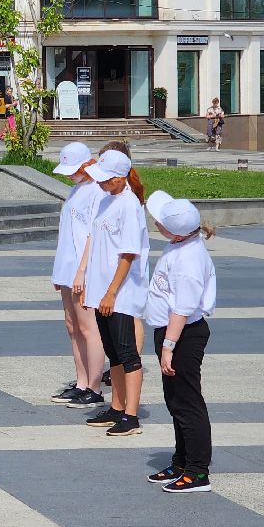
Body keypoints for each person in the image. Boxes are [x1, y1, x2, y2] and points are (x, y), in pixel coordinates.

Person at [143, 190, 217, 492]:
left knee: (187, 403)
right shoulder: (180, 244)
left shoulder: (189, 258)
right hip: (171, 332)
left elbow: (183, 309)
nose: (155, 223)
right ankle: (182, 460)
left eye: (159, 221)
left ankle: (198, 471)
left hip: (184, 334)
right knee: (175, 401)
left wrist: (169, 347)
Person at [82, 149, 150, 437]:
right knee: (114, 354)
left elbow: (128, 254)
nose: (100, 183)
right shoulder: (106, 200)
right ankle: (117, 406)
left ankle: (131, 415)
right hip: (102, 291)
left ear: (121, 177)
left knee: (127, 354)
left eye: (106, 179)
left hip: (120, 293)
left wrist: (111, 293)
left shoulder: (129, 206)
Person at [48, 143, 107, 409]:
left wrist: (82, 270)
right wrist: (60, 271)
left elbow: (91, 236)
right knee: (72, 327)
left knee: (87, 327)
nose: (70, 174)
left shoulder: (96, 190)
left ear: (88, 164)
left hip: (83, 271)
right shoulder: (77, 189)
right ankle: (81, 381)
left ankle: (94, 386)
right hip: (67, 269)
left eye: (74, 169)